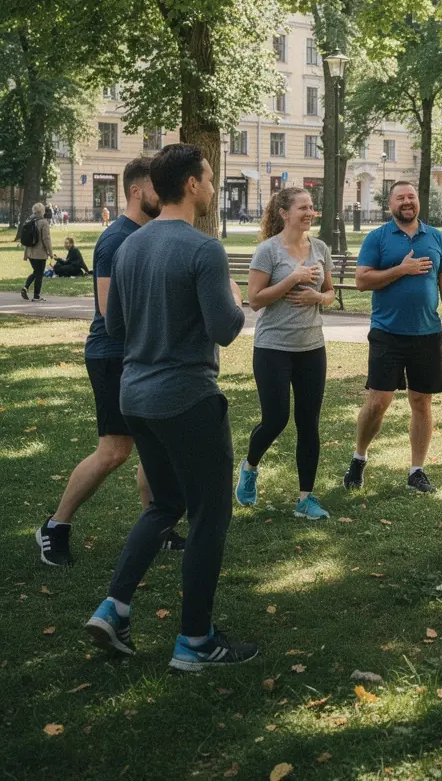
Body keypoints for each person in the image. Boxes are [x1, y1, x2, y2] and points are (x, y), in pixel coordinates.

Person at [84, 143, 256, 671]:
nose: (211, 186)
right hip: (186, 398)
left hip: (134, 395)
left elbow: (114, 327)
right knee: (209, 514)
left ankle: (113, 608)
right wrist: (234, 295)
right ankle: (196, 642)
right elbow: (226, 329)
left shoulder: (130, 245)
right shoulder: (204, 249)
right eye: (208, 178)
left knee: (165, 503)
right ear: (191, 185)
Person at [36, 161, 179, 567]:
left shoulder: (147, 234)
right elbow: (107, 309)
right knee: (115, 451)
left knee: (158, 441)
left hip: (141, 355)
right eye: (157, 186)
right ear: (137, 191)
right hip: (111, 356)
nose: (163, 193)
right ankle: (54, 527)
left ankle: (158, 526)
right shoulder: (117, 239)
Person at [344, 181, 442, 495]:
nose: (407, 202)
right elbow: (361, 281)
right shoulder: (378, 238)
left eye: (412, 196)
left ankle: (416, 471)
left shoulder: (435, 237)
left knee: (421, 402)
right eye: (401, 197)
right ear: (390, 204)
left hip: (426, 334)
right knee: (378, 402)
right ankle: (359, 457)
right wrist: (401, 269)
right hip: (387, 333)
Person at [235, 187, 335, 519]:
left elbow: (330, 292)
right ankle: (249, 468)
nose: (310, 212)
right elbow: (256, 299)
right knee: (275, 418)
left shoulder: (320, 248)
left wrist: (317, 299)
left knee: (309, 423)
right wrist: (292, 278)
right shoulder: (268, 251)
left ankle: (306, 499)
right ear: (284, 212)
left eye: (312, 207)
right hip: (272, 347)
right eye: (303, 207)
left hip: (311, 347)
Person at [20, 202, 53, 301]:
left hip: (29, 251)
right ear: (42, 211)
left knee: (36, 272)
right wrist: (50, 253)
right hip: (40, 253)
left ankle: (25, 287)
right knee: (39, 274)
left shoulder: (29, 219)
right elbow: (46, 239)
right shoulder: (43, 222)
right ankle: (36, 296)